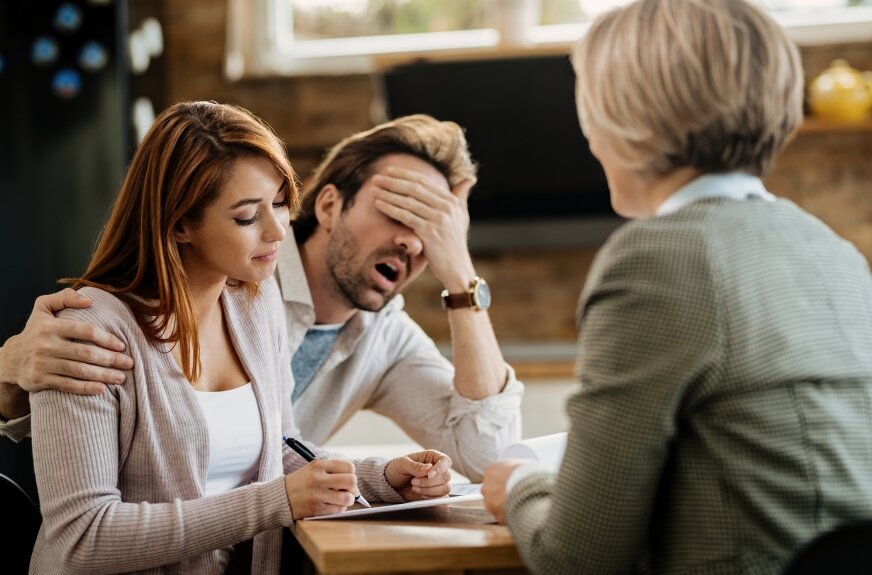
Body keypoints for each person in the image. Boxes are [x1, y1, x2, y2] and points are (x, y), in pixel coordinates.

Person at [481, 1, 872, 573]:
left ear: (621, 115)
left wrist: (522, 486)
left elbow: (577, 559)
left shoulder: (659, 257)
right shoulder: (833, 251)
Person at [28, 100, 451, 574]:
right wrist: (275, 502)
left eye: (279, 204)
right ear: (181, 224)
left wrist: (382, 478)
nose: (276, 231)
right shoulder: (88, 331)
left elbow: (285, 447)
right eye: (248, 217)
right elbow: (82, 539)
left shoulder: (254, 302)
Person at [0, 114, 522, 482]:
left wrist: (462, 278)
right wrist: (7, 371)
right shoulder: (227, 274)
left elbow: (489, 455)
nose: (414, 240)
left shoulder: (384, 336)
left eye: (434, 230)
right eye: (400, 211)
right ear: (330, 204)